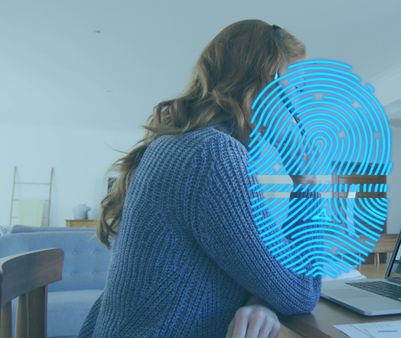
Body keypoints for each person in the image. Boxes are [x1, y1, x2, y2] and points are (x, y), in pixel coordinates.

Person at [78, 20, 320, 337]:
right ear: (266, 85)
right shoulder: (214, 156)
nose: (299, 105)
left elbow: (268, 269)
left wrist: (261, 297)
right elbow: (302, 291)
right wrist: (305, 180)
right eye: (295, 88)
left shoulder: (181, 144)